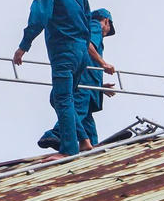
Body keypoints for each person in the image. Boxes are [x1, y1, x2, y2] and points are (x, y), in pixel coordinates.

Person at [13, 0, 91, 158]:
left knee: (62, 98)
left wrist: (24, 46)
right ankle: (83, 140)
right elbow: (88, 25)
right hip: (82, 52)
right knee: (61, 98)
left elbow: (38, 18)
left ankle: (68, 149)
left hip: (64, 51)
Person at [38, 8, 117, 152]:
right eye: (108, 28)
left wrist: (100, 86)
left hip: (89, 83)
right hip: (84, 83)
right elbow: (88, 45)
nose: (106, 32)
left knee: (86, 120)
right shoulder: (95, 26)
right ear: (106, 21)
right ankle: (56, 134)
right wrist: (103, 63)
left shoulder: (91, 28)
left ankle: (91, 145)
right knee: (78, 109)